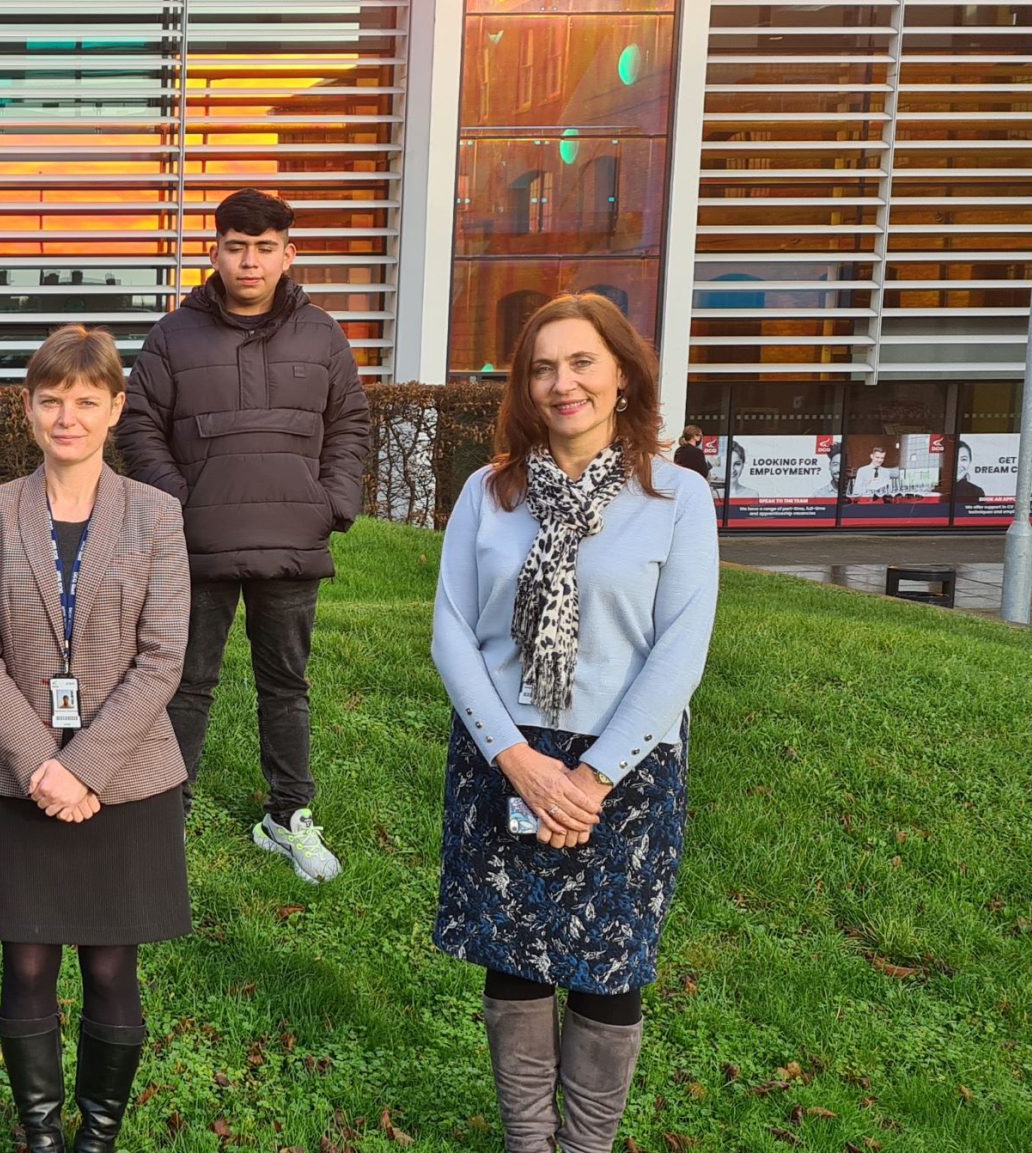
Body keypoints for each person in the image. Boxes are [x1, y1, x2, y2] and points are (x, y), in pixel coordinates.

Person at [429, 294, 717, 1153]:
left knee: (607, 968)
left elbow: (680, 649)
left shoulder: (675, 497)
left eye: (583, 362)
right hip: (503, 754)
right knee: (513, 958)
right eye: (544, 367)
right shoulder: (489, 492)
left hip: (622, 772)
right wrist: (519, 760)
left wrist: (587, 779)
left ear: (623, 374)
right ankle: (528, 1142)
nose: (564, 384)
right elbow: (451, 629)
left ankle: (584, 1146)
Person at [0, 327, 191, 1153]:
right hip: (18, 778)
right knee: (25, 964)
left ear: (115, 409)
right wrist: (39, 765)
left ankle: (97, 1134)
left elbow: (164, 657)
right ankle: (41, 1133)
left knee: (110, 966)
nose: (68, 415)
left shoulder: (158, 516)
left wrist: (83, 768)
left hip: (124, 781)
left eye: (87, 400)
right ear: (28, 408)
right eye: (52, 398)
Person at [113, 188, 369, 883]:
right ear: (215, 251)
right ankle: (166, 815)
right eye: (235, 245)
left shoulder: (322, 334)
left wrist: (332, 502)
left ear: (288, 254)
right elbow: (139, 427)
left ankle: (288, 818)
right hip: (197, 546)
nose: (248, 261)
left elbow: (350, 423)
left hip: (293, 542)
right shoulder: (174, 335)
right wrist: (179, 507)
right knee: (184, 683)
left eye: (263, 248)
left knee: (285, 685)